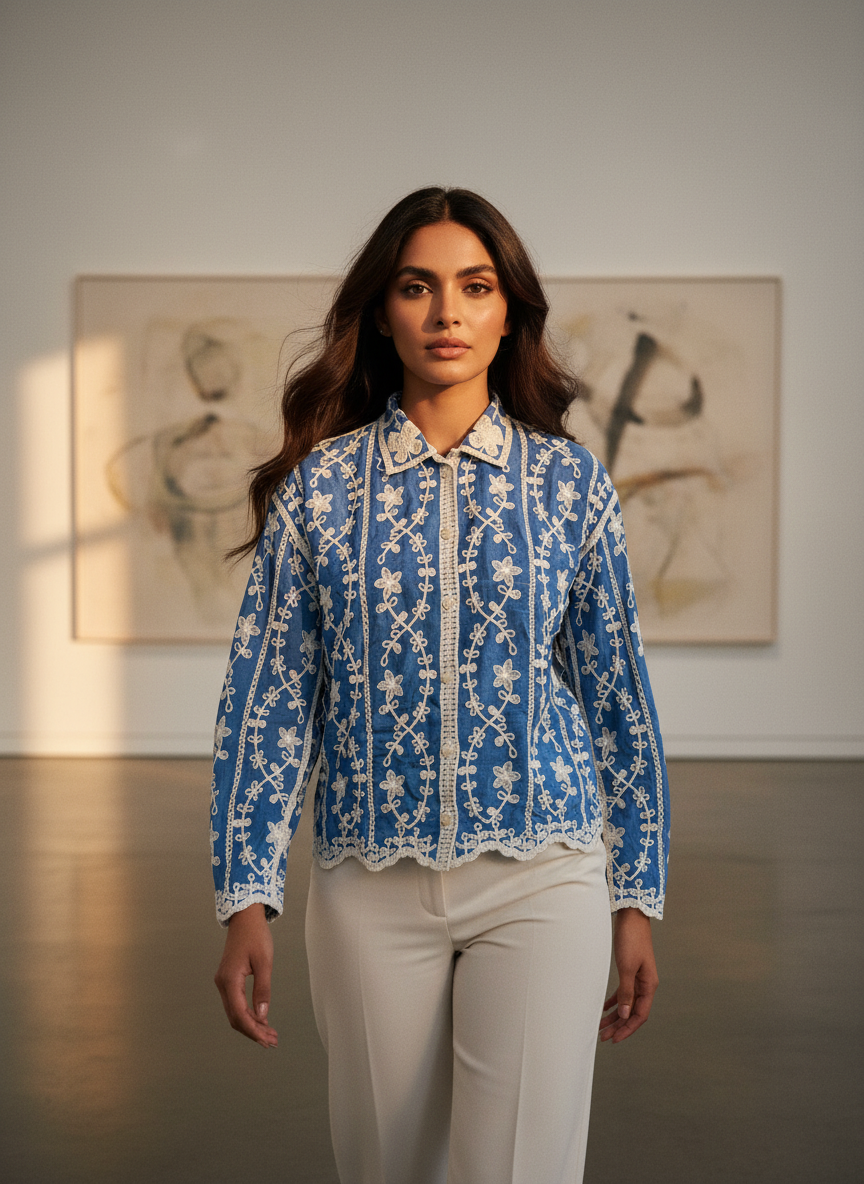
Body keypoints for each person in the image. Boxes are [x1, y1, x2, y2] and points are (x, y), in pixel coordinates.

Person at [211, 186, 670, 1184]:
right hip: (366, 879)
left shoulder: (570, 484)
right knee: (386, 1166)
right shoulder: (320, 489)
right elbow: (268, 700)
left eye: (475, 286)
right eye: (418, 287)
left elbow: (619, 699)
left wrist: (636, 894)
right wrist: (245, 895)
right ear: (383, 309)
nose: (447, 313)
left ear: (511, 313)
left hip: (544, 870)